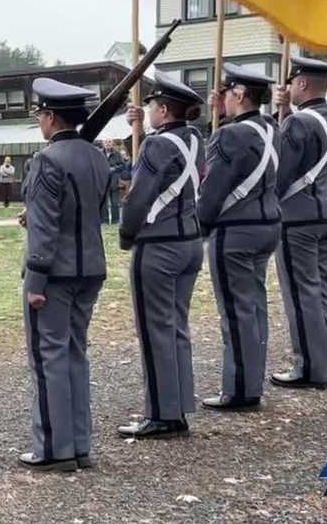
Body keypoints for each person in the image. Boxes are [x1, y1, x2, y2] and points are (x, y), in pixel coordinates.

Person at [17, 78, 110, 471]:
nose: (39, 119)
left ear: (50, 117)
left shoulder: (46, 161)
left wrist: (35, 281)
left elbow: (45, 228)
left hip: (54, 273)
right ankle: (79, 446)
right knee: (74, 355)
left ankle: (54, 448)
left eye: (40, 113)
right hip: (90, 267)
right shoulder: (98, 157)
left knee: (48, 358)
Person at [117, 71, 206, 439]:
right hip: (190, 241)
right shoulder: (197, 138)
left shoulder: (157, 146)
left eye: (153, 106)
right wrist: (136, 129)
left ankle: (162, 413)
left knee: (155, 330)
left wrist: (126, 233)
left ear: (164, 109)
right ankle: (179, 404)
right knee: (177, 326)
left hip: (158, 243)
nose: (149, 111)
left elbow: (139, 195)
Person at [197, 64, 281, 412]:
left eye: (228, 94)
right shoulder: (271, 129)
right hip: (266, 224)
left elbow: (213, 188)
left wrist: (199, 227)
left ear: (240, 95)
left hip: (235, 230)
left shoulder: (231, 135)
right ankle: (252, 382)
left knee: (236, 312)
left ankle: (240, 390)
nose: (223, 100)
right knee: (255, 308)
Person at [269, 57, 327, 391]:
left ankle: (309, 367)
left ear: (301, 84)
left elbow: (281, 171)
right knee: (320, 290)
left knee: (301, 295)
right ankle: (325, 363)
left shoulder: (299, 123)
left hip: (298, 216)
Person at [103, 140, 128, 225]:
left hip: (114, 180)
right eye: (106, 143)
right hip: (103, 181)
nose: (108, 144)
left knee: (115, 202)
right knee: (104, 203)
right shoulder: (99, 153)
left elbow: (123, 165)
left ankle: (115, 221)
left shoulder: (117, 154)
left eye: (109, 142)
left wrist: (114, 169)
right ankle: (104, 221)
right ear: (103, 144)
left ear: (112, 144)